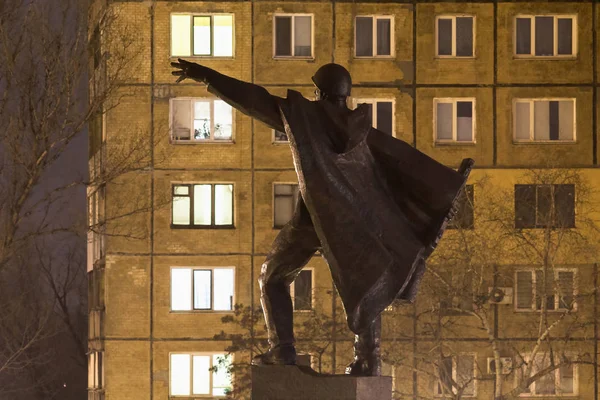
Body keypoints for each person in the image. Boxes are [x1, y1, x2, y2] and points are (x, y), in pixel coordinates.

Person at [172, 59, 473, 376]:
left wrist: (209, 76)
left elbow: (256, 100)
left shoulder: (308, 118)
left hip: (315, 218)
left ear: (318, 91)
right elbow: (408, 163)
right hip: (350, 222)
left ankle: (283, 351)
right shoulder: (363, 132)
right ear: (346, 95)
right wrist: (446, 194)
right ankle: (369, 359)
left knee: (272, 278)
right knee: (370, 279)